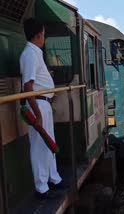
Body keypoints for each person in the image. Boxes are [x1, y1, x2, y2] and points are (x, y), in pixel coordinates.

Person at [20, 18, 64, 200]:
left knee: (48, 143)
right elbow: (28, 87)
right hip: (38, 104)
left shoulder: (35, 53)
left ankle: (53, 179)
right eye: (44, 34)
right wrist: (37, 113)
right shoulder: (29, 54)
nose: (44, 37)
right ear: (39, 35)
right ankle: (41, 187)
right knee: (39, 145)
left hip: (44, 103)